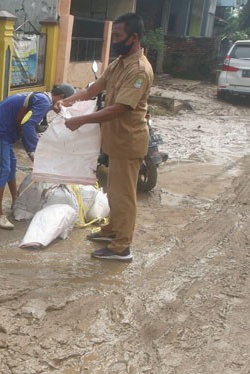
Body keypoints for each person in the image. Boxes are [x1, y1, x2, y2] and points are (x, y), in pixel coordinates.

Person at [56, 12, 153, 262]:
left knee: (124, 195)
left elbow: (121, 108)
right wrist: (69, 100)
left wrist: (81, 120)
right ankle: (112, 229)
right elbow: (94, 89)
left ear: (134, 38)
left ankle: (122, 247)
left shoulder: (139, 70)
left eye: (118, 36)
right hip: (115, 140)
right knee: (113, 190)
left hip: (129, 142)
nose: (115, 40)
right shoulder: (119, 63)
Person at [0, 83, 75, 229]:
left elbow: (29, 124)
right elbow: (28, 126)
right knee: (3, 169)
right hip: (0, 131)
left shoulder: (43, 99)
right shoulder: (45, 102)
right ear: (61, 98)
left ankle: (15, 200)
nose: (65, 109)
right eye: (67, 104)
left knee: (11, 166)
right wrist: (34, 152)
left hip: (6, 132)